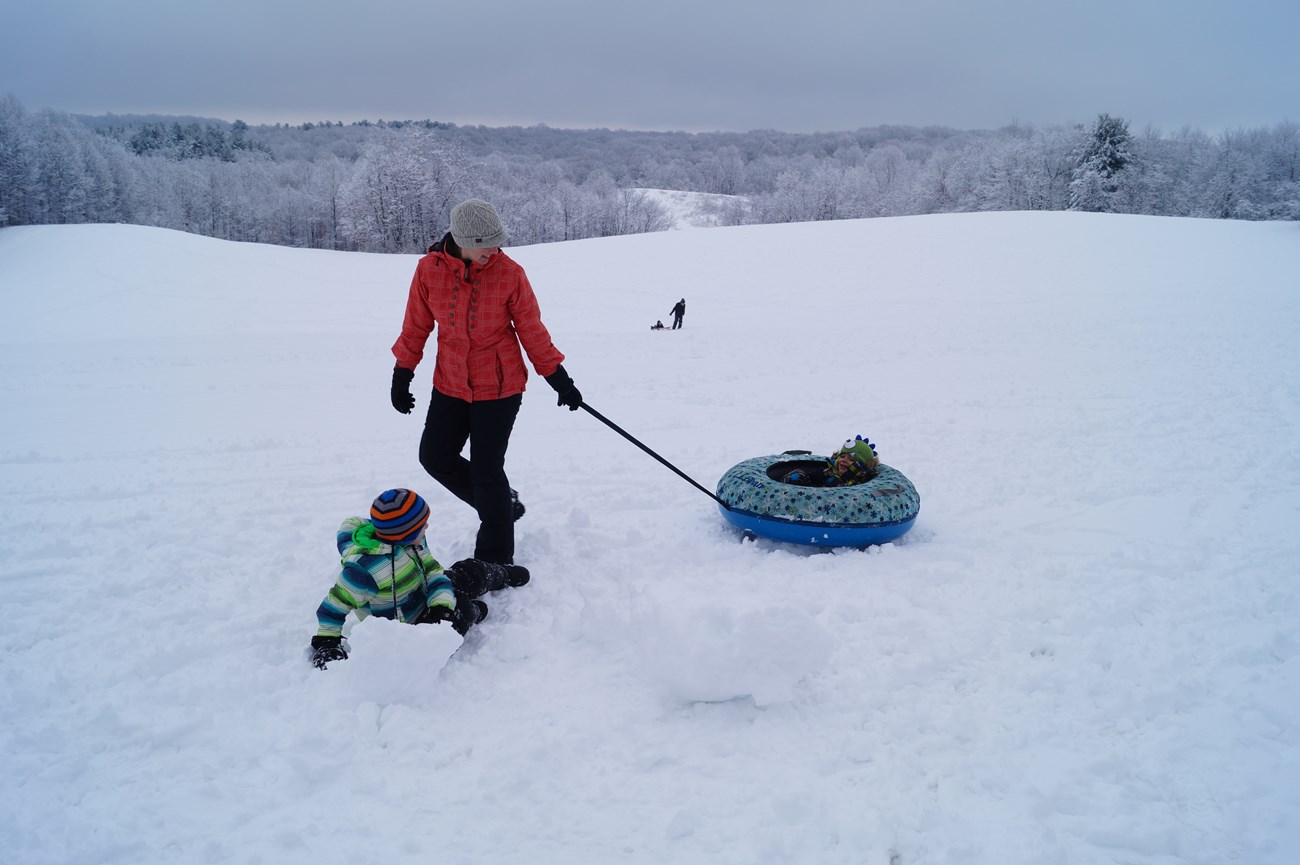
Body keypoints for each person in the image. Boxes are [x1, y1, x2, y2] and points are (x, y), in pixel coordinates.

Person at [390, 199, 582, 565]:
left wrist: (559, 379)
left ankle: (495, 559)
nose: (495, 249)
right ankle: (500, 506)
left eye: (498, 241)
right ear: (462, 240)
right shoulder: (428, 271)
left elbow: (531, 330)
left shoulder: (510, 273)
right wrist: (402, 373)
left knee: (485, 470)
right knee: (435, 457)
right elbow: (416, 325)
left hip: (499, 386)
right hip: (450, 382)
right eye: (487, 243)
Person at [309, 488, 531, 670]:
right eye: (422, 525)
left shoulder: (413, 540)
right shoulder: (364, 572)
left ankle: (500, 574)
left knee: (469, 571)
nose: (427, 527)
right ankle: (471, 611)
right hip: (409, 625)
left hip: (422, 589)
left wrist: (440, 602)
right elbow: (332, 607)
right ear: (401, 533)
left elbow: (432, 570)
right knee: (452, 621)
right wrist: (327, 643)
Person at [779, 436, 881, 487]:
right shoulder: (831, 470)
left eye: (851, 460)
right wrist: (814, 477)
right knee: (797, 475)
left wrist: (842, 480)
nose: (844, 460)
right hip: (808, 495)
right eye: (843, 456)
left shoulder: (859, 481)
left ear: (860, 466)